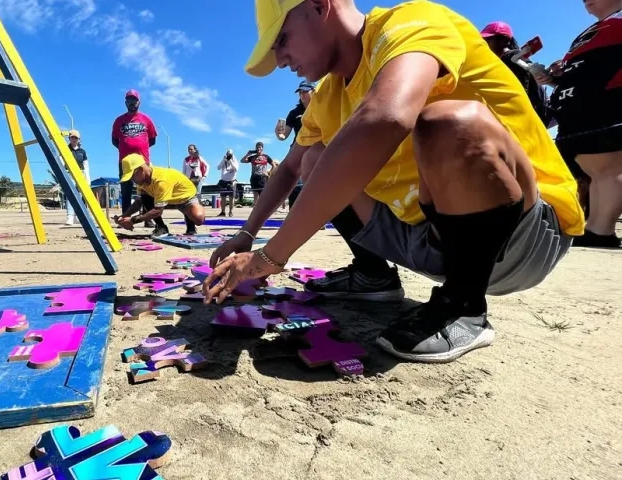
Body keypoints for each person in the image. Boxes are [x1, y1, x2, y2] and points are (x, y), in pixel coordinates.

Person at [204, 0, 584, 364]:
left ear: (320, 5)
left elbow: (386, 117)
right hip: (428, 238)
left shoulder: (412, 22)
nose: (280, 59)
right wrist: (247, 234)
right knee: (315, 158)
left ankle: (464, 305)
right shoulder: (326, 98)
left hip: (520, 238)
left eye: (282, 39)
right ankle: (373, 277)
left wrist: (270, 257)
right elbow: (288, 169)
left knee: (448, 124)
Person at [534, 1, 622, 249]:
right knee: (596, 172)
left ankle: (601, 230)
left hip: (609, 104)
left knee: (607, 168)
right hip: (578, 113)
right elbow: (584, 72)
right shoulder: (590, 32)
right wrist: (554, 78)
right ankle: (595, 228)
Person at [480, 22, 552, 127]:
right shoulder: (506, 59)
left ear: (504, 41)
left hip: (523, 120)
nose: (485, 44)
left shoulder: (510, 57)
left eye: (488, 40)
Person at [115, 153, 205, 236]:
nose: (132, 180)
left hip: (186, 199)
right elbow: (139, 202)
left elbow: (158, 211)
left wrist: (133, 220)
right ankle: (161, 227)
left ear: (141, 170)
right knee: (144, 198)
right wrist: (124, 216)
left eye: (132, 176)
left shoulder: (161, 180)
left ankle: (190, 223)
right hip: (168, 200)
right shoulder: (142, 181)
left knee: (198, 218)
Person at [112, 90, 157, 227]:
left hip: (143, 161)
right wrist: (126, 149)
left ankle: (147, 218)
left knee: (146, 190)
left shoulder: (146, 119)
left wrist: (139, 149)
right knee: (125, 190)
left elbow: (152, 140)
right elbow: (114, 140)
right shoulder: (119, 121)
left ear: (139, 102)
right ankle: (125, 219)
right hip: (125, 162)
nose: (132, 102)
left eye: (134, 100)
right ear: (126, 102)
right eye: (129, 100)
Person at [277, 80, 316, 209]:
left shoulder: (322, 108)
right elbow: (284, 136)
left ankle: (317, 214)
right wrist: (278, 133)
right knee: (296, 185)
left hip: (318, 149)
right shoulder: (294, 113)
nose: (302, 94)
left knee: (316, 182)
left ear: (313, 91)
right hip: (298, 150)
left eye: (305, 91)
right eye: (300, 92)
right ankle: (293, 212)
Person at [64, 129, 90, 226]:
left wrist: (87, 178)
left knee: (79, 196)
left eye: (76, 138)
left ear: (79, 139)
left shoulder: (82, 151)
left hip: (81, 173)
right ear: (69, 138)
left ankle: (78, 216)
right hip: (69, 173)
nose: (74, 139)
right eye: (72, 138)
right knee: (70, 195)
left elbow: (86, 166)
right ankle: (70, 217)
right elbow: (62, 161)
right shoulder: (65, 149)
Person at [216, 149, 239, 217]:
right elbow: (218, 168)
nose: (229, 156)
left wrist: (230, 161)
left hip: (232, 182)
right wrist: (223, 160)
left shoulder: (235, 161)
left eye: (230, 154)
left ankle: (230, 212)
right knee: (223, 198)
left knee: (231, 198)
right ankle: (222, 212)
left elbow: (236, 169)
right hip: (223, 182)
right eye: (228, 154)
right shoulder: (224, 161)